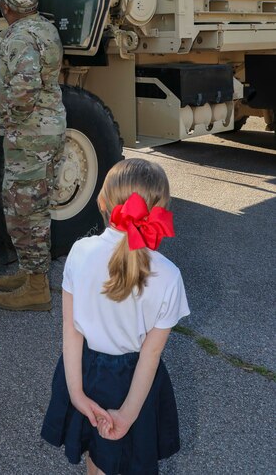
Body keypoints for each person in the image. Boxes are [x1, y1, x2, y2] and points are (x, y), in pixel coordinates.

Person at [41, 158, 190, 474]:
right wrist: (128, 414)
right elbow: (150, 355)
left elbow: (71, 331)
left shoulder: (80, 253)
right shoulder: (169, 276)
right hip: (133, 383)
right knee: (125, 460)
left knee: (95, 458)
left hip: (83, 370)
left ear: (102, 201)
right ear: (161, 210)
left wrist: (77, 393)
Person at [0, 0, 66, 311]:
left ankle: (36, 289)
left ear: (6, 7)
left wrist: (9, 121)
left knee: (24, 211)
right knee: (32, 207)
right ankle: (32, 273)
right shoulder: (44, 27)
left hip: (30, 134)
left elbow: (24, 89)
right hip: (45, 129)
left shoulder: (19, 37)